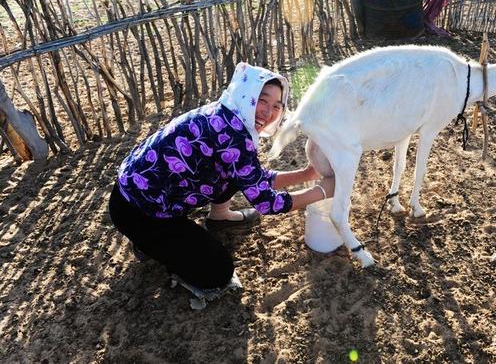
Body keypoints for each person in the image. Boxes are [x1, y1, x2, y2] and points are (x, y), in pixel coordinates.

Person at [108, 62, 335, 296]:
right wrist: (323, 191)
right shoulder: (234, 137)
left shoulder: (226, 113)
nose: (268, 112)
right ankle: (148, 244)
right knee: (218, 273)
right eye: (262, 100)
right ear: (246, 95)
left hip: (140, 193)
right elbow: (267, 203)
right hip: (140, 212)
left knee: (231, 176)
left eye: (277, 105)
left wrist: (306, 175)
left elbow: (252, 178)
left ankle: (220, 217)